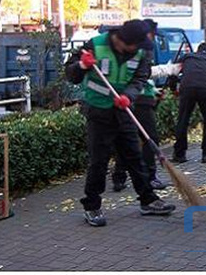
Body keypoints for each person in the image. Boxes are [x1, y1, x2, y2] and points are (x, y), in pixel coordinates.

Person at [65, 19, 175, 227]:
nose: (140, 50)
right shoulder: (95, 45)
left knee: (134, 156)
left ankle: (148, 200)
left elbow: (141, 78)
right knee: (99, 160)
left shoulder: (140, 53)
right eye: (138, 45)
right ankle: (92, 205)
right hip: (98, 111)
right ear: (125, 41)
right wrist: (82, 64)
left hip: (123, 109)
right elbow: (71, 75)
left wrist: (129, 95)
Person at [112, 19, 182, 192]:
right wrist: (170, 70)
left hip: (133, 98)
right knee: (149, 139)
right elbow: (144, 74)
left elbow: (141, 77)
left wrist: (154, 89)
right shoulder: (139, 49)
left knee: (127, 141)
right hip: (138, 101)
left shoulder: (133, 48)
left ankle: (119, 178)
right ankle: (150, 176)